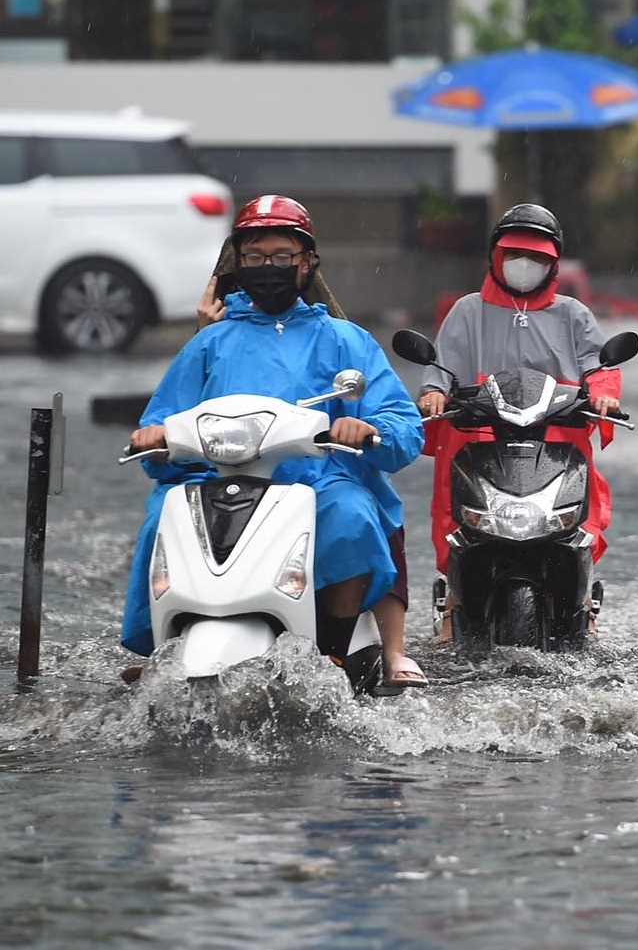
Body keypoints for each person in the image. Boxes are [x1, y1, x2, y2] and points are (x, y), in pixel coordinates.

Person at [121, 195, 427, 693]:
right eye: (255, 257)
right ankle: (167, 643)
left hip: (314, 478)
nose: (269, 268)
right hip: (215, 476)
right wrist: (154, 437)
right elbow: (164, 416)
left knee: (351, 514)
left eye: (282, 256)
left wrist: (369, 430)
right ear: (237, 264)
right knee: (163, 516)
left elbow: (400, 422)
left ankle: (333, 642)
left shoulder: (345, 338)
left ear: (307, 262)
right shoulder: (208, 342)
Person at [416, 203, 623, 642]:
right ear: (495, 257)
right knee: (454, 513)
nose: (524, 265)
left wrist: (603, 395)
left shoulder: (573, 314)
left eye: (538, 258)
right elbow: (442, 367)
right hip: (478, 432)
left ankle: (581, 603)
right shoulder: (467, 311)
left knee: (582, 514)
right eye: (514, 254)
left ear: (553, 263)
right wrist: (434, 393)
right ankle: (455, 603)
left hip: (556, 435)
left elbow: (597, 365)